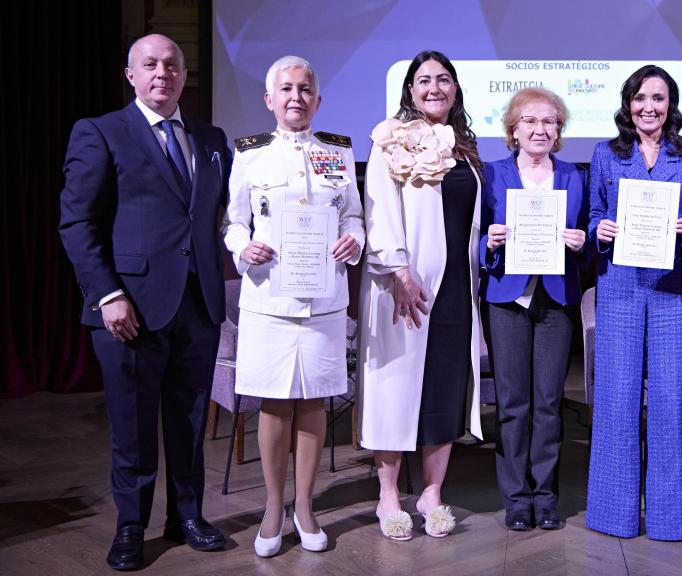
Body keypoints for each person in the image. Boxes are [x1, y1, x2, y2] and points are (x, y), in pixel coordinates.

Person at [58, 34, 231, 570]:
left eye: (172, 64)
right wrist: (107, 295)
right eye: (150, 64)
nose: (163, 73)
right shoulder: (100, 132)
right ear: (130, 75)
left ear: (185, 74)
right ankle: (130, 526)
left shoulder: (211, 138)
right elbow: (77, 223)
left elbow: (221, 214)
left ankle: (187, 517)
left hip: (198, 304)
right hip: (128, 309)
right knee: (132, 426)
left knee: (190, 419)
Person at [222, 55, 364, 557]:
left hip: (323, 300)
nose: (296, 97)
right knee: (274, 402)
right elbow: (234, 222)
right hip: (270, 299)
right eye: (286, 89)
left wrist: (353, 240)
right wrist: (243, 248)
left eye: (305, 89)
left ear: (318, 100)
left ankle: (305, 505)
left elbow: (353, 217)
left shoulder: (338, 152)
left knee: (313, 402)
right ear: (270, 99)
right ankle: (272, 506)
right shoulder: (250, 154)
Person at [358, 50, 483, 541]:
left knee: (445, 386)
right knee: (395, 386)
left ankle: (431, 492)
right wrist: (398, 270)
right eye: (425, 80)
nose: (435, 88)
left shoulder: (465, 147)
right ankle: (389, 494)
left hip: (455, 287)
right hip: (404, 285)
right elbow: (379, 209)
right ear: (410, 89)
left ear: (455, 89)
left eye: (444, 79)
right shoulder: (389, 139)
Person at [586, 65, 682, 541]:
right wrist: (600, 229)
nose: (648, 107)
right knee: (615, 398)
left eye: (658, 98)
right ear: (628, 104)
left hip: (674, 286)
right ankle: (612, 514)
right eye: (640, 98)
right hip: (619, 283)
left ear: (670, 104)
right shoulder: (606, 153)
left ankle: (670, 519)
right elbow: (595, 213)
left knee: (672, 402)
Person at [481, 87, 588, 531]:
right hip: (507, 299)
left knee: (548, 402)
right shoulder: (491, 173)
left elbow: (587, 236)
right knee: (512, 403)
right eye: (530, 120)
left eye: (549, 121)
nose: (539, 129)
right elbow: (476, 239)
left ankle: (545, 497)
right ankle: (516, 500)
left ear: (558, 130)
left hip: (555, 299)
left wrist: (582, 243)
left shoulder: (574, 176)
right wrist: (488, 243)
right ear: (514, 128)